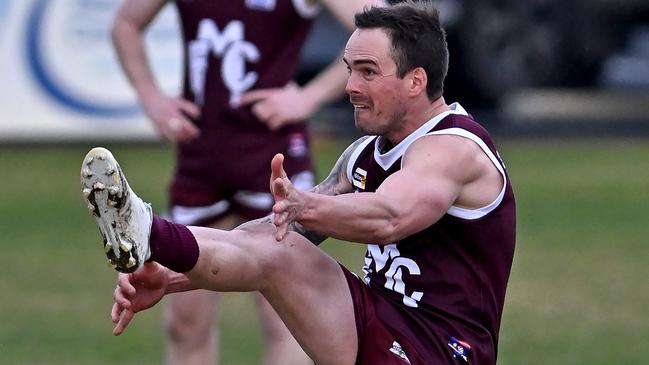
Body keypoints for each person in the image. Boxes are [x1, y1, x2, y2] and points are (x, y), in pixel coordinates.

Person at [84, 2, 516, 364]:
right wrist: (172, 274)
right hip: (383, 326)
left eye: (367, 72)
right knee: (277, 245)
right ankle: (147, 232)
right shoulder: (363, 155)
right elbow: (261, 243)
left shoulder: (452, 146)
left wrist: (303, 205)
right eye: (350, 70)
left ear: (416, 80)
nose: (349, 86)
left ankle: (148, 229)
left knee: (286, 252)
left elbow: (390, 217)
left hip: (441, 351)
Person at [110, 0, 384, 364]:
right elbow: (125, 23)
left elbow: (379, 24)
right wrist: (151, 98)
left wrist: (308, 96)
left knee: (284, 316)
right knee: (184, 318)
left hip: (273, 157)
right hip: (201, 154)